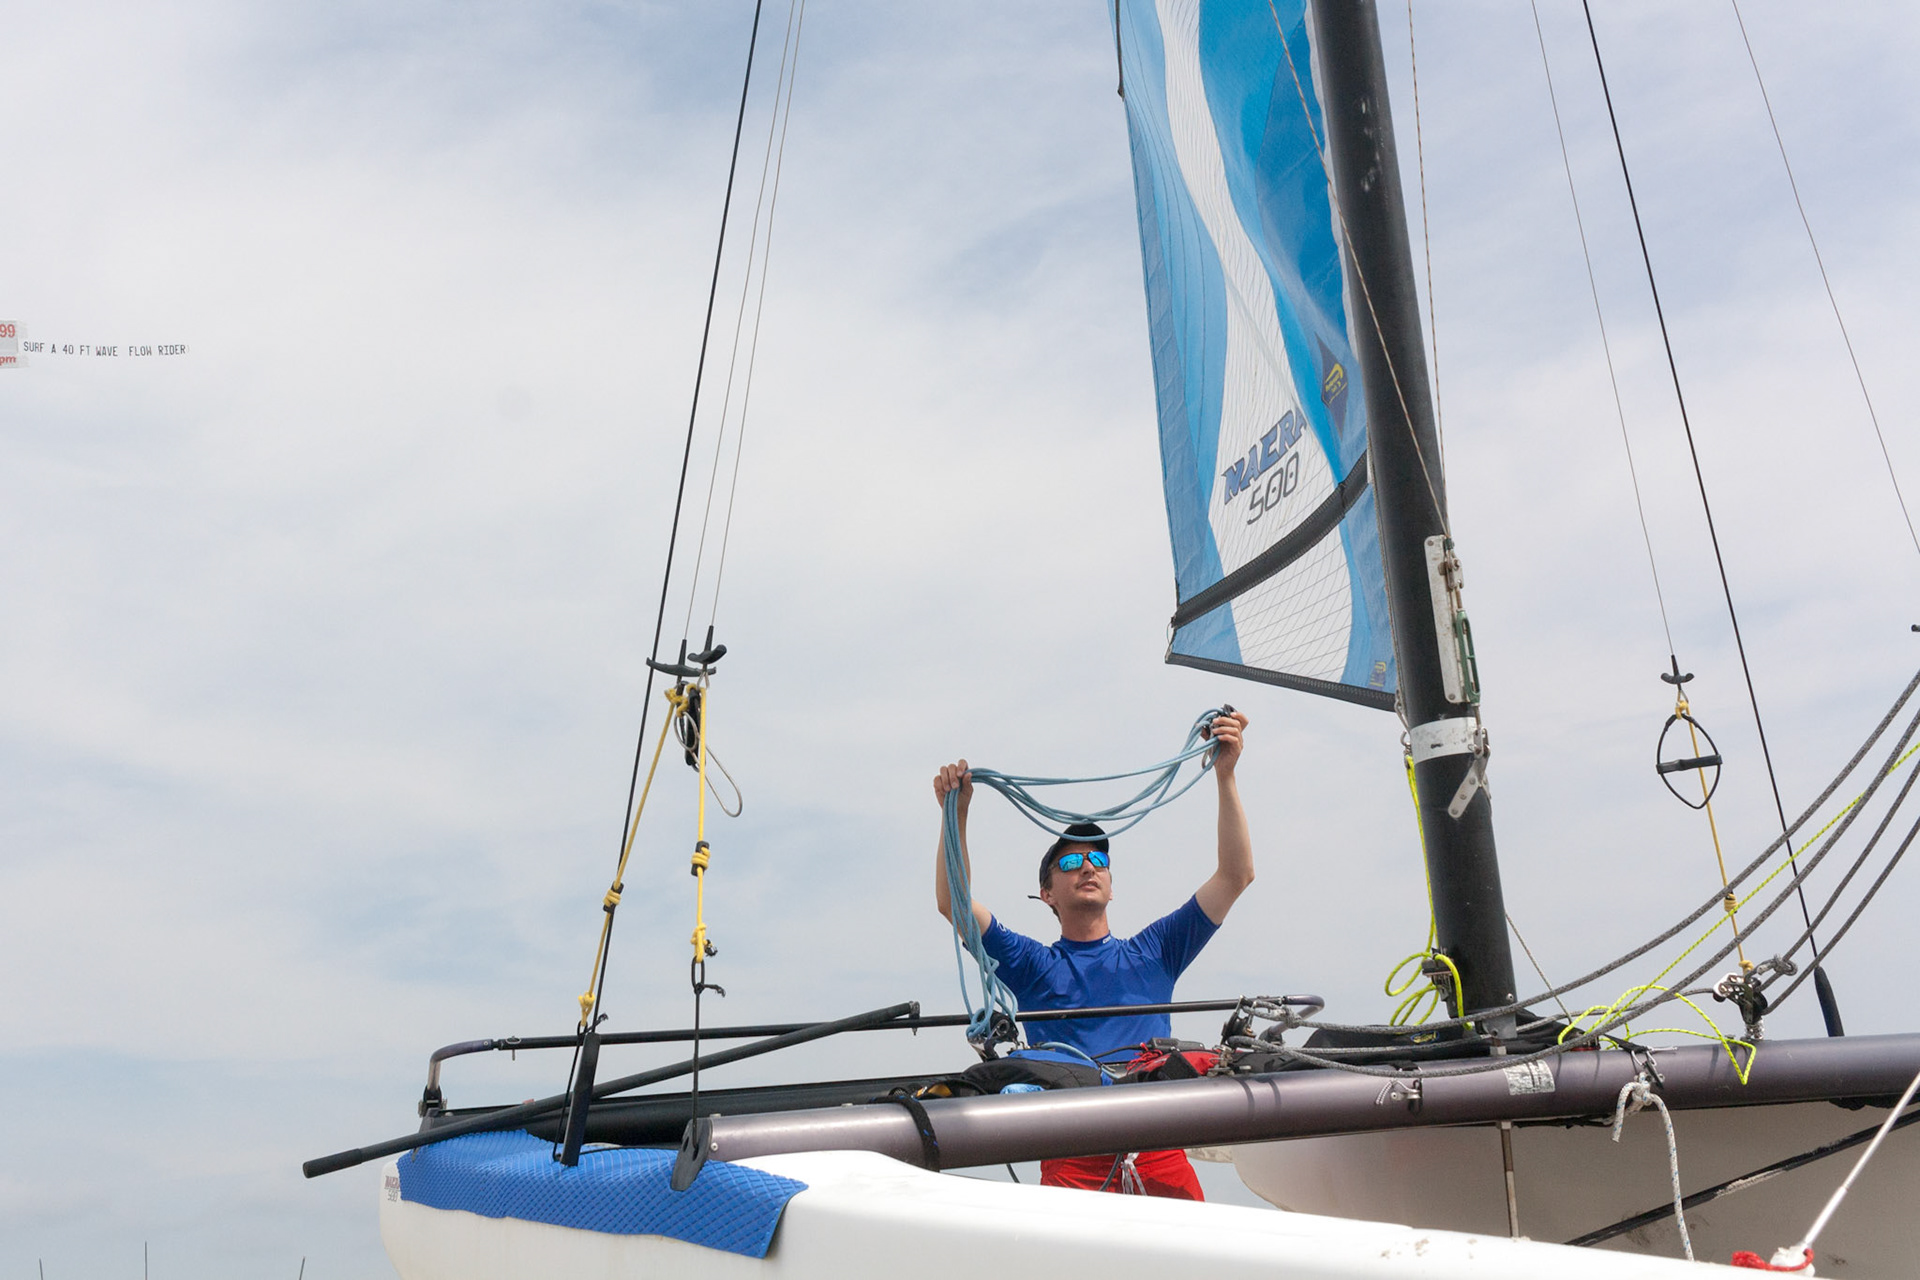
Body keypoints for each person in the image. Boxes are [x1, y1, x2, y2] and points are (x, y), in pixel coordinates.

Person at [932, 710, 1253, 1199]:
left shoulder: (1156, 951)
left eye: (1098, 859)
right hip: (1071, 1150)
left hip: (1160, 1145)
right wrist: (955, 815)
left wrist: (1225, 775)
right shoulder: (1032, 965)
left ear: (1110, 884)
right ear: (1047, 893)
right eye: (1070, 861)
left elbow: (1235, 876)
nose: (1087, 867)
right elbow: (954, 904)